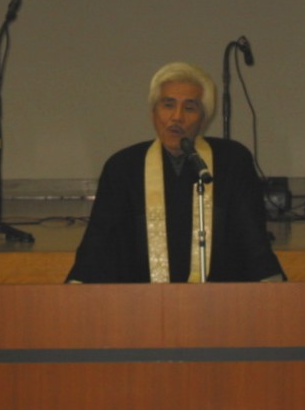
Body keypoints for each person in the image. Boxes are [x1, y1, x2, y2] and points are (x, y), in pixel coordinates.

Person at [66, 62, 285, 283]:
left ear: (204, 119)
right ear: (153, 112)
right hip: (141, 298)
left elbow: (253, 240)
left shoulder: (232, 162)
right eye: (168, 105)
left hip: (219, 297)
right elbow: (99, 244)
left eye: (189, 108)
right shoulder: (123, 167)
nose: (177, 117)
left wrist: (274, 287)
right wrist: (76, 288)